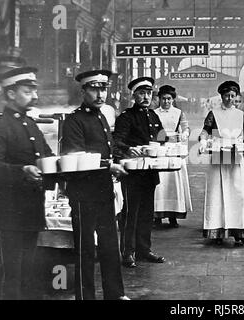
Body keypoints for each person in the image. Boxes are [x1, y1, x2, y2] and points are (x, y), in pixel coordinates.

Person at [61, 70, 129, 300]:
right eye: (94, 89)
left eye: (104, 89)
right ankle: (85, 296)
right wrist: (108, 167)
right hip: (83, 193)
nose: (101, 94)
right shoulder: (74, 121)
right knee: (85, 249)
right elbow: (76, 156)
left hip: (103, 190)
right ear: (83, 91)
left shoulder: (101, 116)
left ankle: (115, 294)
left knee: (110, 245)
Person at [0, 67, 53, 299]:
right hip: (8, 212)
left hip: (30, 209)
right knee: (11, 274)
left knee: (27, 270)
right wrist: (22, 171)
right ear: (11, 94)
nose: (35, 96)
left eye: (34, 91)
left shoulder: (30, 124)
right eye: (28, 91)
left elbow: (46, 156)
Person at [113, 76, 167, 267]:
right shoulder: (126, 117)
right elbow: (116, 141)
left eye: (149, 93)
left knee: (146, 213)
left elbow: (161, 136)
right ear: (134, 95)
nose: (146, 97)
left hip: (150, 172)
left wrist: (166, 141)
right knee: (130, 214)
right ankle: (127, 252)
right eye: (142, 93)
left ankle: (144, 250)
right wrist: (127, 149)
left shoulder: (153, 116)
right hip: (133, 173)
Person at [198, 80, 244, 246]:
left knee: (239, 194)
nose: (230, 99)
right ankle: (216, 232)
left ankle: (241, 233)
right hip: (218, 154)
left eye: (233, 96)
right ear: (221, 96)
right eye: (227, 96)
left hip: (237, 155)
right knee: (217, 193)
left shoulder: (240, 114)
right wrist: (202, 141)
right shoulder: (213, 113)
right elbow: (205, 131)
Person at [153, 85, 192, 228]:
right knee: (159, 185)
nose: (166, 102)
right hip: (159, 149)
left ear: (173, 99)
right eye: (163, 99)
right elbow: (150, 129)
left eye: (169, 99)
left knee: (173, 184)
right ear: (159, 99)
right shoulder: (153, 113)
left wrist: (185, 133)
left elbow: (185, 126)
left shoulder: (178, 113)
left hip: (174, 149)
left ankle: (173, 216)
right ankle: (157, 216)